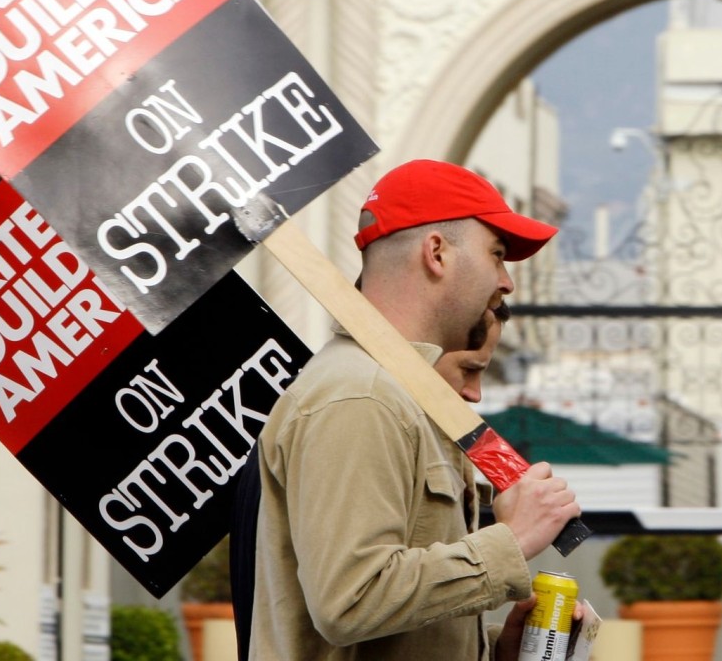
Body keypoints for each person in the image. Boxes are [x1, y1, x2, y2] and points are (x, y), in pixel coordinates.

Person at [248, 159, 582, 661]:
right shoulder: (361, 396)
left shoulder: (402, 396)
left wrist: (496, 650)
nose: (506, 282)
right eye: (496, 254)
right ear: (437, 253)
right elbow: (351, 600)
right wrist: (512, 541)